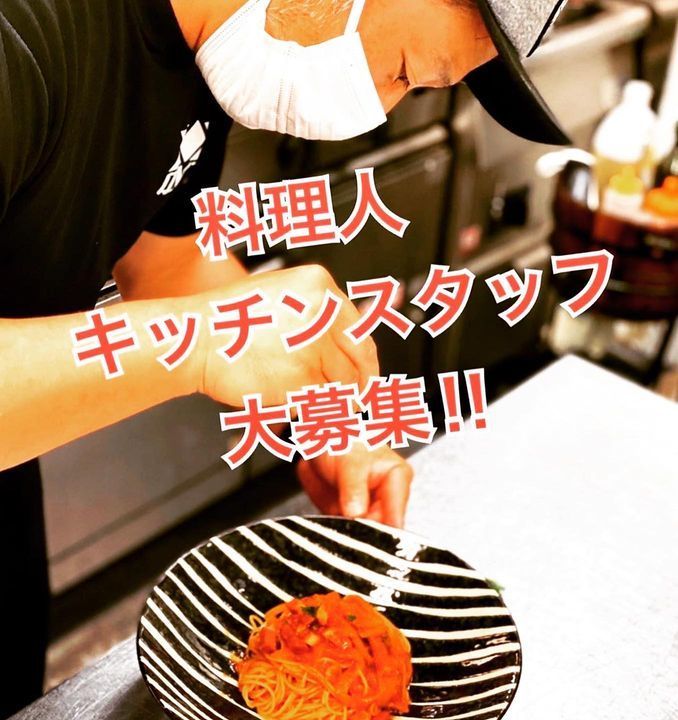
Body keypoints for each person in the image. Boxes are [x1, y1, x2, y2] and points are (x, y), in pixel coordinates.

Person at [0, 0, 570, 715]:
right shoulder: (22, 36)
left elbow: (163, 258)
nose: (383, 109)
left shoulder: (199, 51)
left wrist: (320, 411)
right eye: (404, 73)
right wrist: (202, 342)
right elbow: (195, 323)